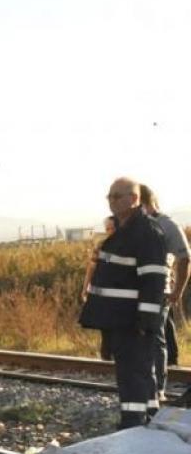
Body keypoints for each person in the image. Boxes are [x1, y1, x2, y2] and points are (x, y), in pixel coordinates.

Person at [79, 177, 168, 428]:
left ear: (134, 199)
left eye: (117, 196)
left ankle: (133, 424)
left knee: (133, 375)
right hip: (118, 319)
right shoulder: (124, 231)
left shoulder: (146, 232)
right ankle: (149, 421)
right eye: (110, 197)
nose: (112, 201)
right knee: (136, 374)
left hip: (132, 320)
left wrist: (146, 321)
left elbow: (153, 282)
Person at [140, 185, 190, 399]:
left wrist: (177, 290)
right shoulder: (133, 225)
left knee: (155, 337)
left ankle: (158, 388)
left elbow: (184, 258)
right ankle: (143, 384)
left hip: (159, 292)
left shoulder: (167, 225)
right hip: (136, 292)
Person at [83, 217, 118, 361]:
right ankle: (106, 356)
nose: (110, 232)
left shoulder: (129, 245)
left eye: (112, 228)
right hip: (105, 292)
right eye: (107, 229)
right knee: (106, 327)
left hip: (122, 293)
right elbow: (92, 267)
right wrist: (85, 287)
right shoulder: (102, 246)